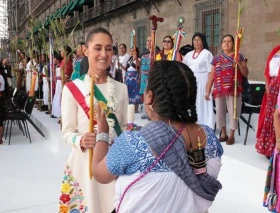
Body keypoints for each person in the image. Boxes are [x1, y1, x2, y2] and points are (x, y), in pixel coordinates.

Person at [92, 60, 223, 213]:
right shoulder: (208, 136)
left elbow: (100, 174)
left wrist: (102, 132)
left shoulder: (132, 142)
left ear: (149, 96)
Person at [59, 27, 128, 213]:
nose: (103, 54)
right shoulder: (72, 89)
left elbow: (123, 126)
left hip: (113, 164)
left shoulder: (121, 89)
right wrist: (80, 139)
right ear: (86, 50)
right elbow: (67, 131)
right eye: (97, 48)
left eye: (108, 48)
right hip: (84, 165)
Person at [205, 34, 249, 145]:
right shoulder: (216, 58)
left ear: (233, 44)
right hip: (219, 90)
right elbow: (211, 75)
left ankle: (232, 135)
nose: (226, 43)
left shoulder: (240, 56)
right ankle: (223, 134)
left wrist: (238, 63)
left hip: (234, 89)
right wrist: (207, 90)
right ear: (221, 44)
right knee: (220, 112)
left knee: (234, 112)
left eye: (229, 41)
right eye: (224, 41)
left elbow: (245, 73)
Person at [183, 33, 215, 129]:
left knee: (203, 103)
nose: (196, 42)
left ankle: (206, 124)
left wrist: (208, 88)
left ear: (203, 42)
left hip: (203, 81)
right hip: (191, 82)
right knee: (194, 102)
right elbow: (183, 67)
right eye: (194, 40)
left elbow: (211, 72)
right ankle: (194, 122)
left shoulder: (207, 53)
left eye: (198, 40)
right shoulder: (189, 54)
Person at [256, 45, 280, 157]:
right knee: (270, 117)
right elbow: (267, 71)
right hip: (272, 87)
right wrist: (267, 86)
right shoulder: (275, 50)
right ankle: (269, 148)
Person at [124, 47, 141, 112]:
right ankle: (130, 107)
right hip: (128, 77)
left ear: (136, 52)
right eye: (131, 51)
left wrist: (136, 58)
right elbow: (127, 68)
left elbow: (138, 65)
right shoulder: (129, 59)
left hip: (134, 77)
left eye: (133, 51)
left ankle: (135, 108)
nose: (132, 52)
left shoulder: (138, 59)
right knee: (129, 92)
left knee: (135, 92)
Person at [51, 52, 63, 118]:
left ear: (58, 60)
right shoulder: (56, 66)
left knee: (59, 95)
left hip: (60, 81)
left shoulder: (61, 65)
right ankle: (55, 111)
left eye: (55, 59)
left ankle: (59, 112)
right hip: (57, 82)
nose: (53, 60)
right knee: (56, 95)